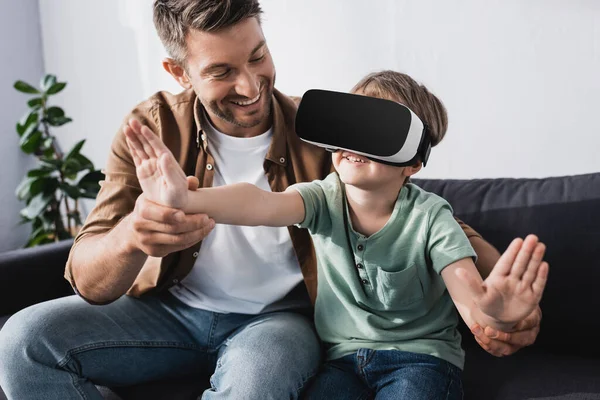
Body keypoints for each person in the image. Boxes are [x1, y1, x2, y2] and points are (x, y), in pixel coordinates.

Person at [0, 1, 542, 399]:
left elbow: (418, 216)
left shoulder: (327, 130)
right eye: (221, 71)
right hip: (170, 312)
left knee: (256, 383)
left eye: (257, 56)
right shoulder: (151, 130)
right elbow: (91, 271)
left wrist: (502, 307)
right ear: (178, 72)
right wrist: (138, 231)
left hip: (277, 322)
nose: (250, 84)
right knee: (22, 342)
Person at [123, 70, 548, 399]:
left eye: (378, 132)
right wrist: (187, 199)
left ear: (412, 163)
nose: (353, 142)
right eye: (351, 125)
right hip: (341, 360)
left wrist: (494, 313)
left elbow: (469, 294)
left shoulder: (432, 218)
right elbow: (259, 204)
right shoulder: (324, 199)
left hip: (421, 361)